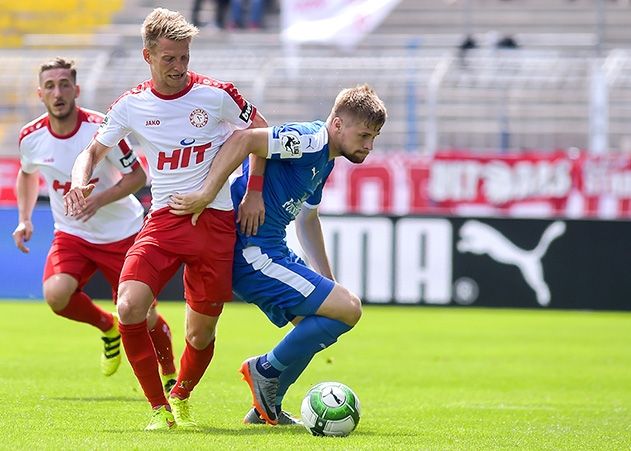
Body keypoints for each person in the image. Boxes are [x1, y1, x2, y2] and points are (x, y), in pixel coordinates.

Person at [63, 8, 268, 431]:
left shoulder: (216, 94)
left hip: (214, 224)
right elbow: (92, 152)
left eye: (184, 58)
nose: (178, 67)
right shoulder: (131, 104)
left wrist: (254, 193)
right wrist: (80, 180)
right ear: (148, 56)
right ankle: (158, 410)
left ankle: (181, 395)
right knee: (129, 305)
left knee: (200, 336)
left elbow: (261, 130)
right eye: (169, 58)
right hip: (164, 221)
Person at [168, 84, 387, 425]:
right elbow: (246, 139)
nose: (369, 146)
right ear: (339, 125)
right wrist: (217, 193)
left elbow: (308, 219)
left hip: (271, 250)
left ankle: (265, 410)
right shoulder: (310, 139)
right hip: (251, 251)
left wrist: (327, 281)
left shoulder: (325, 160)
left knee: (316, 327)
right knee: (349, 309)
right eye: (364, 135)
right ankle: (265, 369)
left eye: (374, 138)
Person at [13, 58, 177, 388]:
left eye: (63, 85)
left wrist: (98, 199)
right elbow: (27, 174)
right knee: (56, 295)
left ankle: (171, 374)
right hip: (72, 233)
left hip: (123, 233)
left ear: (76, 90)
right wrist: (25, 219)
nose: (57, 92)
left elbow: (138, 176)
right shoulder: (30, 137)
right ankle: (108, 326)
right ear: (40, 94)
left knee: (145, 316)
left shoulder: (102, 129)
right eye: (50, 86)